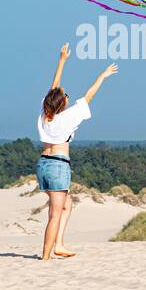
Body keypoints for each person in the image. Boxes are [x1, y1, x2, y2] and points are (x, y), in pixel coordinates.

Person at [37, 43, 116, 261]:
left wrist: (62, 61)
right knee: (54, 214)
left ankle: (59, 244)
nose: (67, 95)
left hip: (43, 165)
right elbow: (89, 95)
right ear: (62, 103)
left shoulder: (46, 116)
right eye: (65, 95)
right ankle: (45, 257)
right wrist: (102, 76)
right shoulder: (68, 117)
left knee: (66, 205)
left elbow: (52, 91)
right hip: (58, 166)